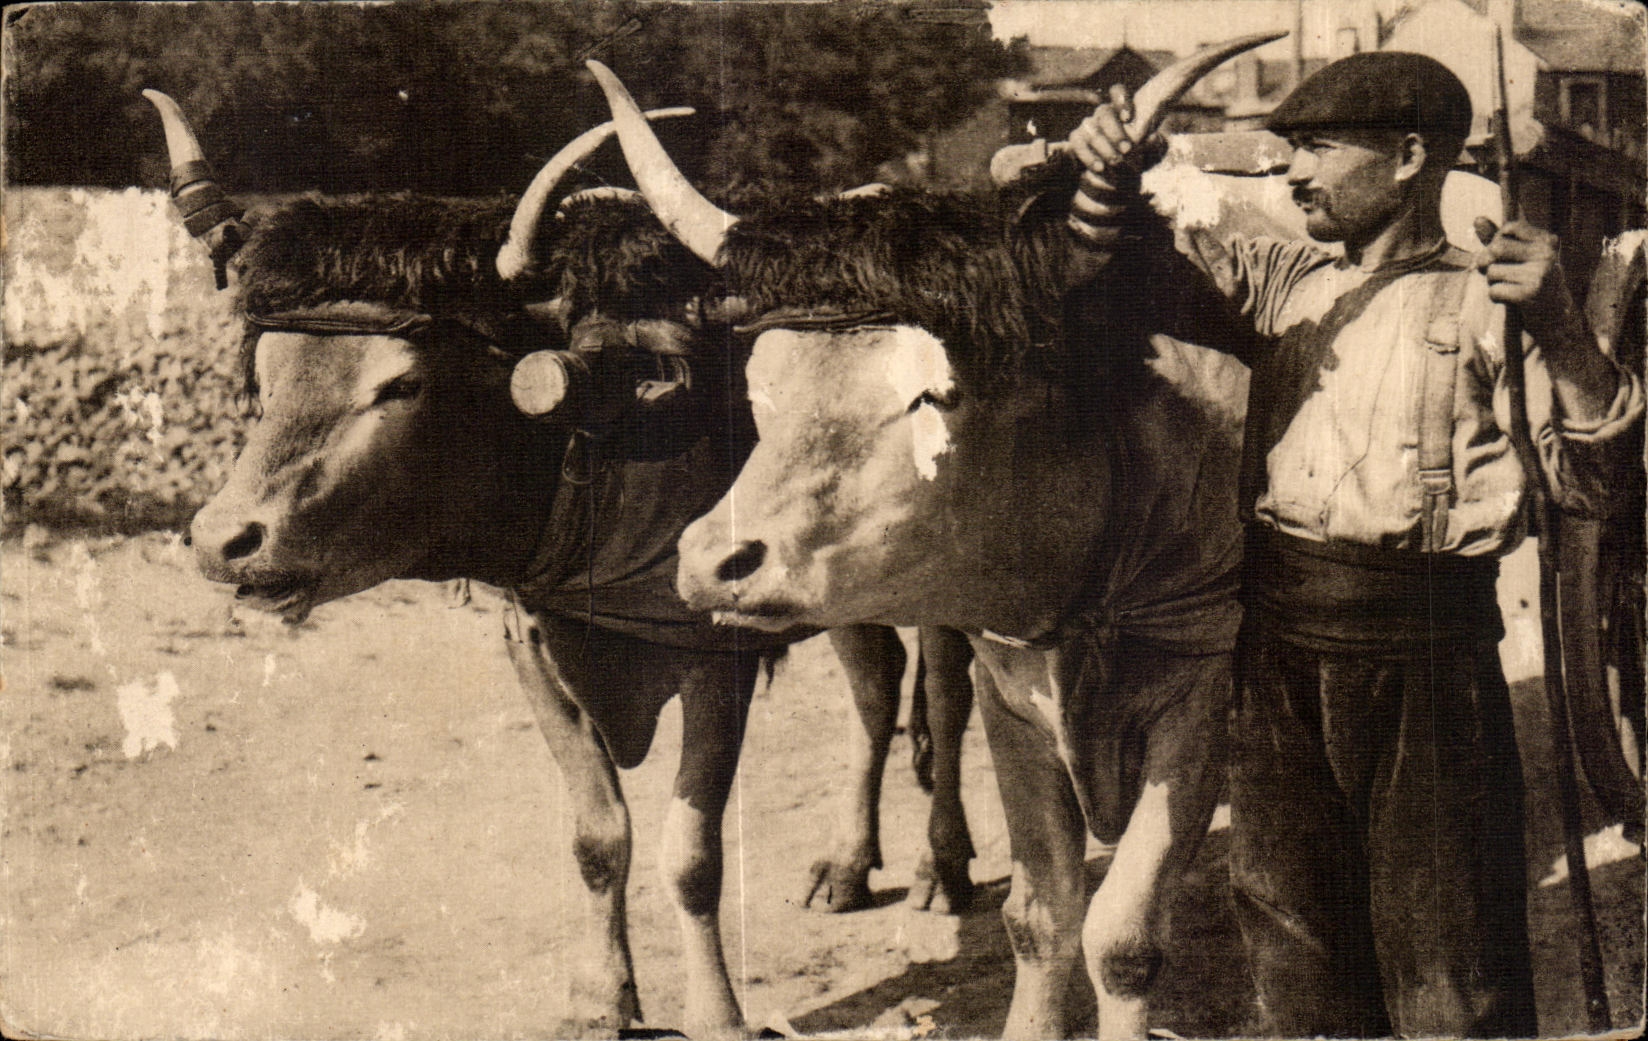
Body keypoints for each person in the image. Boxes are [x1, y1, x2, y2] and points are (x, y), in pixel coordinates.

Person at [1064, 51, 1642, 1037]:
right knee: (1297, 967)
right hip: (1276, 658)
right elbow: (1108, 280)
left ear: (1410, 156)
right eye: (1286, 150)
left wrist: (1560, 332)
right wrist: (1102, 176)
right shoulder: (1282, 282)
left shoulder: (1488, 301)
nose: (1291, 174)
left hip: (1426, 668)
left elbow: (1591, 484)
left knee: (1450, 972)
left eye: (1316, 149)